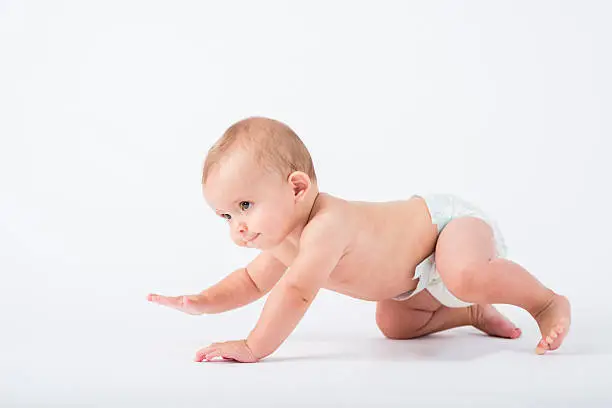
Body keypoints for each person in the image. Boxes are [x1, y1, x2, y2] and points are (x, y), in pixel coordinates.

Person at [147, 116, 571, 363]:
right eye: (225, 215)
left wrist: (253, 346)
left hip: (446, 227)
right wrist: (201, 303)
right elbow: (250, 283)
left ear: (297, 188)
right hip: (418, 281)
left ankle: (546, 302)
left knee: (463, 274)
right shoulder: (281, 243)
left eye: (244, 206)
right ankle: (472, 313)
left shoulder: (326, 226)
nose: (236, 225)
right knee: (395, 324)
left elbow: (294, 293)